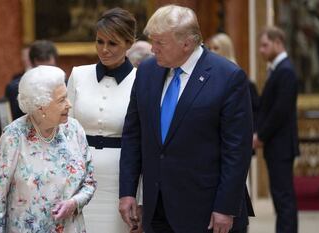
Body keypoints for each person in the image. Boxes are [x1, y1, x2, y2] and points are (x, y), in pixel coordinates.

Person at [119, 5, 254, 233]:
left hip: (207, 210)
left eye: (160, 43)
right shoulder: (147, 71)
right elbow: (133, 135)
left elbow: (237, 151)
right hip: (157, 207)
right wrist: (128, 192)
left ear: (187, 43)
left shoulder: (228, 77)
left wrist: (225, 207)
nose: (153, 49)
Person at [0, 65, 97, 233]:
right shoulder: (14, 137)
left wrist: (74, 203)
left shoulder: (74, 130)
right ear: (41, 106)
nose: (69, 104)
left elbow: (89, 183)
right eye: (61, 100)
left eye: (67, 97)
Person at [67, 7, 141, 233]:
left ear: (129, 43)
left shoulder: (141, 80)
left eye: (113, 43)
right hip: (77, 179)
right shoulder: (79, 74)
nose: (104, 49)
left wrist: (141, 197)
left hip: (121, 181)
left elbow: (146, 142)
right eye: (100, 42)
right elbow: (64, 131)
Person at [254, 26, 299, 233]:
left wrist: (261, 136)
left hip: (281, 145)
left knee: (284, 199)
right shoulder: (278, 69)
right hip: (277, 144)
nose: (261, 50)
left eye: (265, 45)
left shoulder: (286, 71)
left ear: (278, 43)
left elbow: (280, 110)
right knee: (281, 198)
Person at [208, 33, 259, 143]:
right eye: (210, 48)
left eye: (216, 48)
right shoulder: (206, 76)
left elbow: (252, 112)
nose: (211, 51)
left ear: (226, 50)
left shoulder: (237, 77)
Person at [5, 40, 58, 120]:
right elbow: (11, 121)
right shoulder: (15, 89)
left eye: (49, 68)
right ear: (32, 63)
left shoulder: (66, 86)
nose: (47, 74)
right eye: (42, 69)